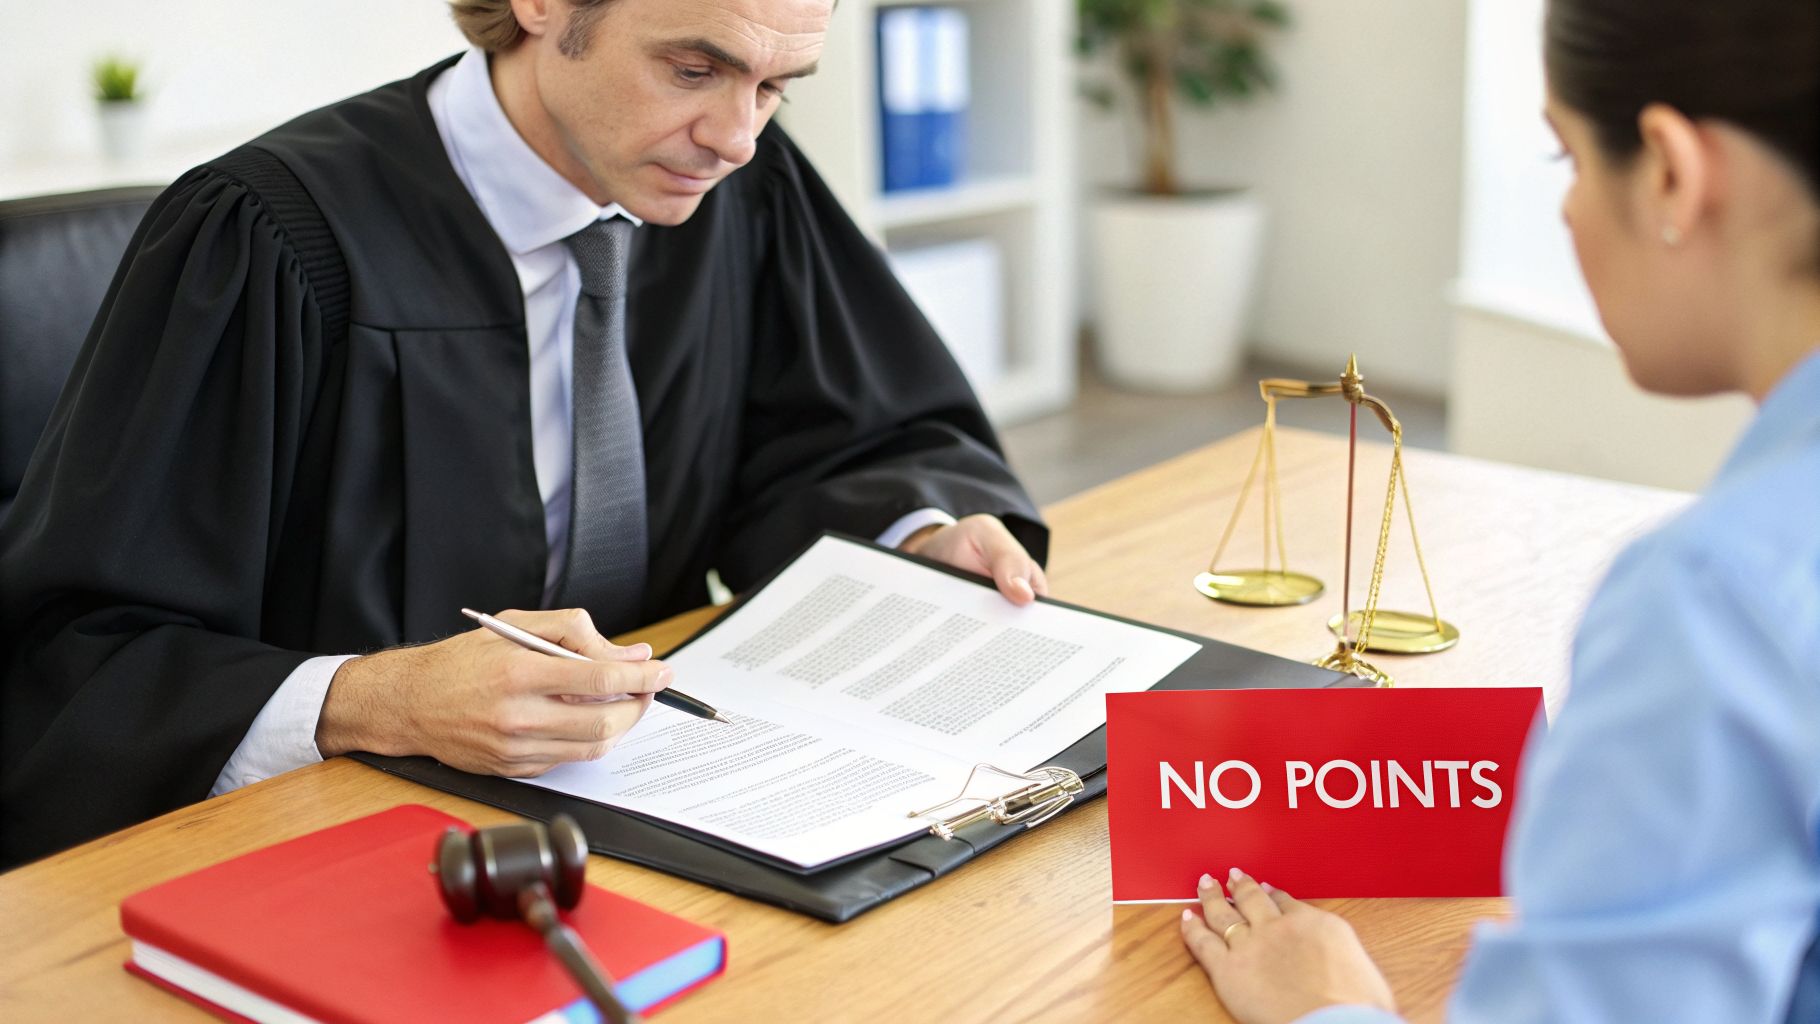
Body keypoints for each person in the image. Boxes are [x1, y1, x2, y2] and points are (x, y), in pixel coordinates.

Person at [0, 0, 1050, 867]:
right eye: (693, 69)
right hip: (332, 842)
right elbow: (73, 654)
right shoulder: (269, 237)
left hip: (659, 807)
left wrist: (913, 533)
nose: (737, 137)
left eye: (774, 89)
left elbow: (825, 443)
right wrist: (381, 698)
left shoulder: (736, 190)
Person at [1174, 1, 1820, 1021]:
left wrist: (1327, 1005)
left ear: (1666, 171)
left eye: (1563, 157)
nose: (1564, 210)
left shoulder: (1714, 600)